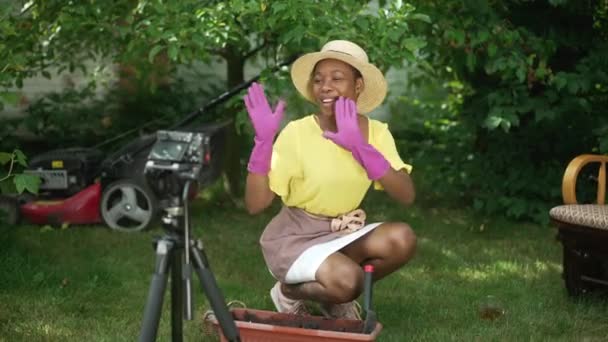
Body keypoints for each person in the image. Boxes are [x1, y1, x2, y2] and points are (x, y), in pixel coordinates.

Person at [243, 40, 416, 319]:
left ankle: (333, 295)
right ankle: (288, 291)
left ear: (358, 86)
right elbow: (255, 204)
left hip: (343, 232)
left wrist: (361, 147)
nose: (325, 86)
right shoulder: (298, 133)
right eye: (319, 79)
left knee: (402, 238)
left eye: (337, 78)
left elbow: (406, 194)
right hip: (296, 237)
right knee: (349, 282)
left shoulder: (377, 133)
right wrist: (263, 143)